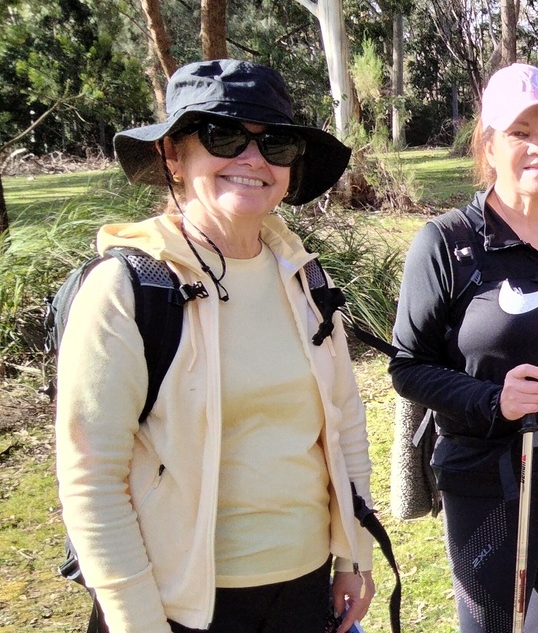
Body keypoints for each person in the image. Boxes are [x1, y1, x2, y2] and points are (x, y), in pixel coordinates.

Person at [55, 59, 374, 633]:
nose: (253, 160)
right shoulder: (128, 289)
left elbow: (345, 422)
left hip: (304, 587)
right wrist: (137, 620)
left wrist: (353, 555)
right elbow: (92, 477)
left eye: (275, 143)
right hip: (182, 605)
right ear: (173, 155)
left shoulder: (304, 276)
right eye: (223, 136)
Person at [389, 64, 538, 633]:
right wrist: (492, 399)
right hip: (486, 475)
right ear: (489, 146)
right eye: (520, 132)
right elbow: (408, 367)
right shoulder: (447, 242)